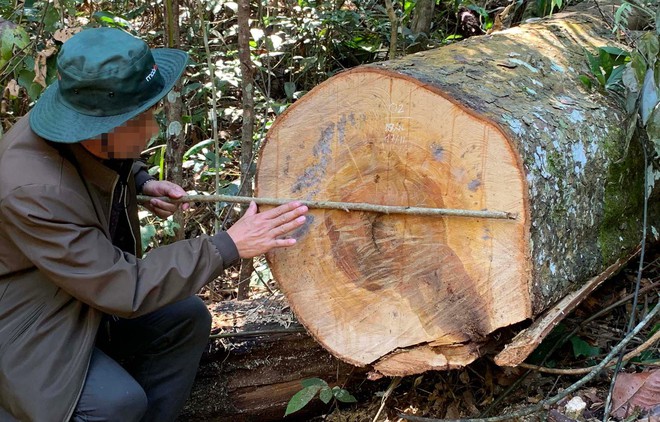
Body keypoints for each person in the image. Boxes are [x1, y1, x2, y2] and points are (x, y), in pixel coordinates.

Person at [0, 27, 308, 422]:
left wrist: (140, 179)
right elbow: (121, 286)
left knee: (186, 318)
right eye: (140, 119)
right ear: (96, 130)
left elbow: (94, 167)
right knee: (115, 405)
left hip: (76, 289)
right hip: (23, 321)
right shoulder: (32, 189)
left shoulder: (81, 109)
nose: (153, 130)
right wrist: (227, 245)